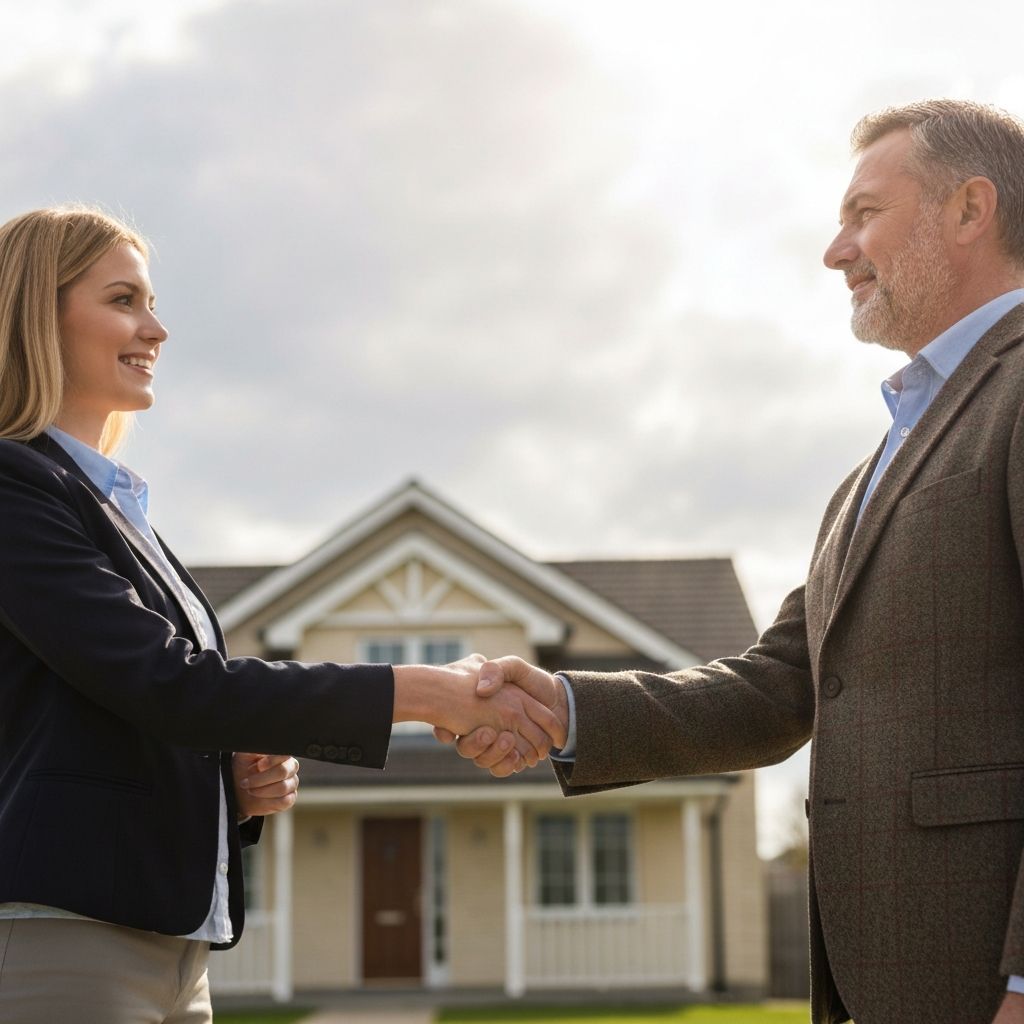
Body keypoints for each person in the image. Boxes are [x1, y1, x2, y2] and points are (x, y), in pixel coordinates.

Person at [441, 100, 1024, 1024]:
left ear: (970, 209)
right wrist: (562, 707)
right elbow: (778, 685)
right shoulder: (871, 473)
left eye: (865, 213)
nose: (836, 251)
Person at [0, 206, 565, 1024]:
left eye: (152, 303)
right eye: (124, 300)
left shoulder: (112, 508)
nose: (156, 329)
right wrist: (425, 693)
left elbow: (112, 717)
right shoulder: (14, 486)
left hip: (174, 948)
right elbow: (170, 683)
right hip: (68, 939)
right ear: (36, 313)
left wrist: (223, 788)